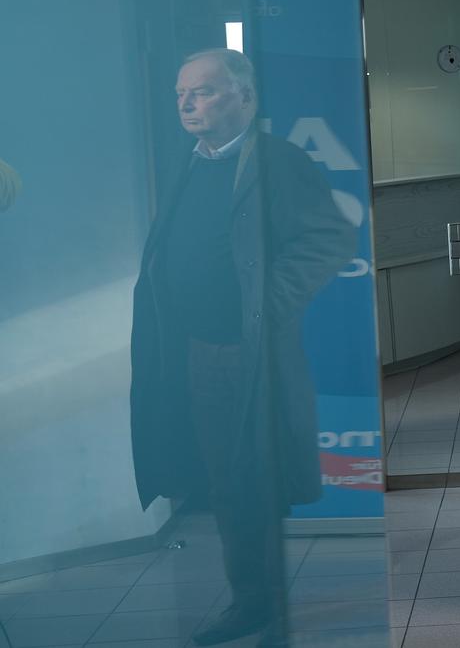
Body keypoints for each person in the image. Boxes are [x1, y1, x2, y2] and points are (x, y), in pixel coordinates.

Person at [129, 49, 355, 646]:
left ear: (244, 97)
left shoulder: (275, 160)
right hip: (196, 352)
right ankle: (252, 599)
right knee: (226, 484)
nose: (185, 103)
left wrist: (265, 306)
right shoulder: (190, 162)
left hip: (248, 356)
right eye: (180, 93)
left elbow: (329, 237)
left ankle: (261, 603)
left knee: (255, 480)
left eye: (202, 91)